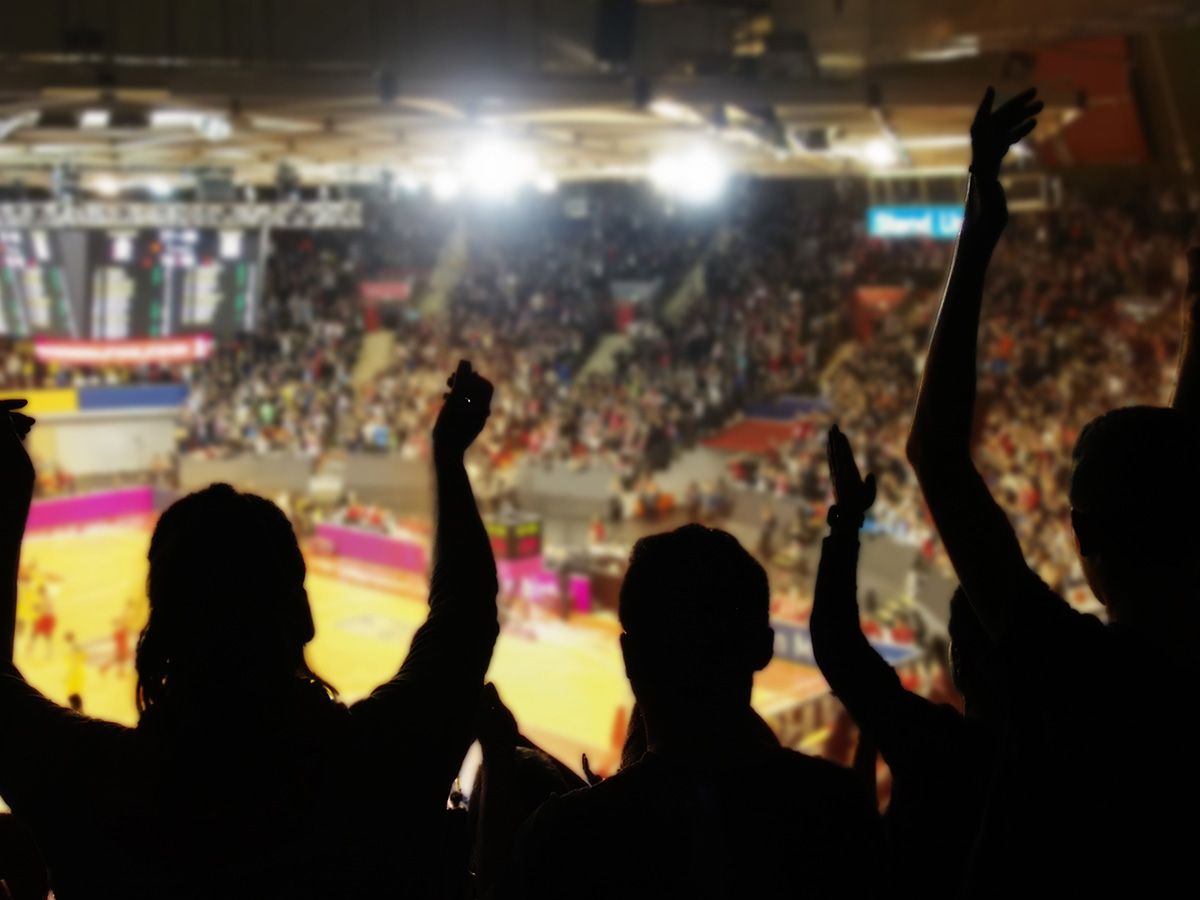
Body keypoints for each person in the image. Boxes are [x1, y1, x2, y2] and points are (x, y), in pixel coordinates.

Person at [0, 361, 500, 899]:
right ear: (304, 618)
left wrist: (9, 484)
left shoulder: (94, 788)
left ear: (160, 638)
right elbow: (466, 614)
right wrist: (449, 456)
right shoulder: (371, 765)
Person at [907, 86, 1200, 894]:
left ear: (1085, 543)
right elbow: (1182, 472)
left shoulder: (1079, 680)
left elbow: (935, 452)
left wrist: (979, 224)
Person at [497, 523, 883, 899]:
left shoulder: (563, 840)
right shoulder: (837, 809)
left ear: (630, 658)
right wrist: (845, 527)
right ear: (763, 648)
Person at [811, 425, 1000, 898]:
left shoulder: (937, 745)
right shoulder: (1066, 749)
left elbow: (837, 646)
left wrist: (847, 522)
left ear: (958, 660)